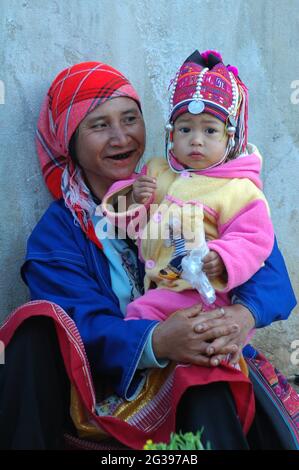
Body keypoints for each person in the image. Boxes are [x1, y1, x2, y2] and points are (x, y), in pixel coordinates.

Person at [0, 60, 297, 450]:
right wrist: (157, 341)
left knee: (204, 378)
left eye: (130, 119)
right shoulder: (57, 233)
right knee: (34, 327)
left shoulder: (179, 186)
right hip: (109, 376)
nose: (121, 137)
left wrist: (241, 316)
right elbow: (81, 325)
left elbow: (264, 260)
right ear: (68, 139)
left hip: (196, 355)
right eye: (98, 125)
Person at [101, 50, 274, 330]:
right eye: (184, 130)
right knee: (142, 322)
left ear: (230, 138)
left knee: (144, 320)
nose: (196, 141)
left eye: (210, 131)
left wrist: (223, 257)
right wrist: (134, 198)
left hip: (206, 295)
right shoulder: (157, 172)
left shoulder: (240, 190)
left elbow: (253, 239)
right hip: (160, 290)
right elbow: (128, 227)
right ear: (171, 134)